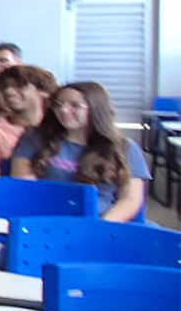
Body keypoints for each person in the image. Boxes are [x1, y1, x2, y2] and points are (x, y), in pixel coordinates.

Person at [11, 81, 148, 221]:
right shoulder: (35, 138)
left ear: (95, 109)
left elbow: (130, 199)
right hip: (47, 218)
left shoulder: (125, 148)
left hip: (100, 221)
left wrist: (100, 226)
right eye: (58, 105)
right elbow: (23, 185)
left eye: (75, 105)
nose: (63, 110)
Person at [0, 65, 58, 175]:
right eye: (4, 87)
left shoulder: (57, 130)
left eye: (19, 86)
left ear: (43, 92)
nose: (8, 91)